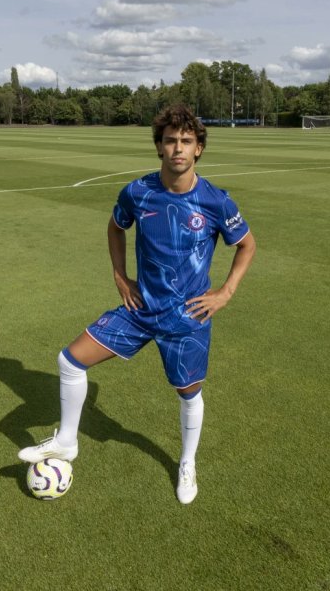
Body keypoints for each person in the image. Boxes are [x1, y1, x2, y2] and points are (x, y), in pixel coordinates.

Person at [17, 104, 256, 504]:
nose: (178, 148)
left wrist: (225, 292)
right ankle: (67, 442)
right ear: (159, 147)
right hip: (141, 308)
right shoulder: (137, 192)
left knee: (188, 394)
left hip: (187, 318)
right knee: (70, 360)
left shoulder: (216, 201)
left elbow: (246, 244)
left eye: (186, 141)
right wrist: (118, 275)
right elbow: (115, 226)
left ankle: (186, 463)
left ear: (198, 149)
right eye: (170, 141)